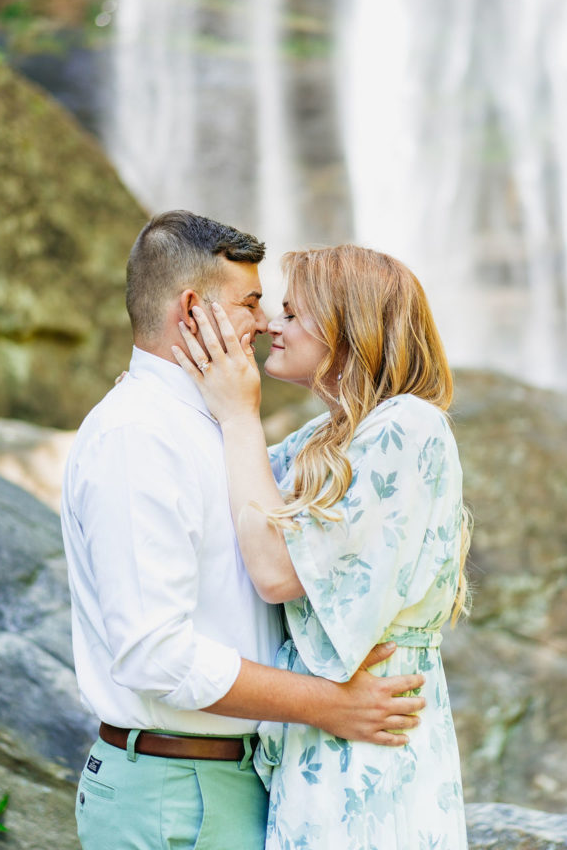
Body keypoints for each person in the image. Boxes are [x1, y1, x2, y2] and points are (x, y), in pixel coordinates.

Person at [60, 212, 427, 850]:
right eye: (251, 302)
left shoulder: (214, 426)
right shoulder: (138, 438)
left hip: (220, 781)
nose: (264, 323)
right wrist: (327, 703)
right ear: (193, 309)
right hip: (177, 794)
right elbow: (156, 653)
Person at [173, 243, 471, 850]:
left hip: (372, 742)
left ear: (348, 324)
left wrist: (240, 415)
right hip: (323, 732)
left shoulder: (409, 425)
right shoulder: (327, 436)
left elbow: (277, 569)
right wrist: (163, 398)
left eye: (291, 311)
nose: (271, 326)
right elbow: (231, 490)